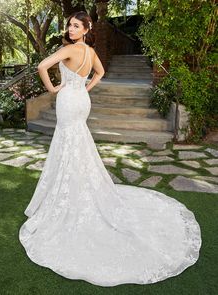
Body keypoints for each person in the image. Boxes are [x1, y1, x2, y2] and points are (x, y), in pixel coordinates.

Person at [19, 11, 202, 287]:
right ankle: (77, 187)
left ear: (85, 29)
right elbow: (100, 74)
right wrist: (85, 87)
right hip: (81, 99)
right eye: (70, 25)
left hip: (69, 99)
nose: (70, 28)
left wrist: (55, 89)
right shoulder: (91, 52)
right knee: (77, 142)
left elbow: (41, 66)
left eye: (76, 25)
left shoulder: (68, 50)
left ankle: (67, 193)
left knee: (69, 142)